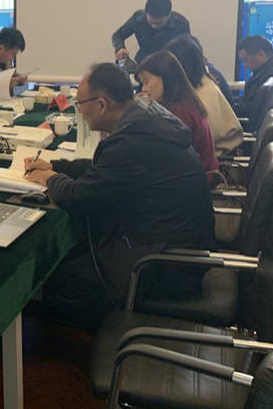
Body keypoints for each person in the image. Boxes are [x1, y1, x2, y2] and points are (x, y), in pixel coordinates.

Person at [24, 63, 214, 330]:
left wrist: (49, 178)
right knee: (74, 250)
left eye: (80, 104)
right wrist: (57, 166)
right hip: (175, 244)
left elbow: (79, 197)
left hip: (162, 267)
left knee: (54, 280)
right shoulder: (147, 118)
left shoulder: (132, 141)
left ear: (101, 105)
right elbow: (106, 171)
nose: (80, 111)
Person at [136, 51, 219, 178]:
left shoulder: (179, 113)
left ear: (165, 78)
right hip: (190, 177)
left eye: (146, 81)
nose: (143, 89)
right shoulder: (181, 102)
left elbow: (164, 158)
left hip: (194, 181)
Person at [166, 34, 242, 154]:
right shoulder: (203, 82)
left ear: (181, 67)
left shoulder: (201, 98)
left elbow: (190, 141)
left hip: (215, 156)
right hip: (215, 151)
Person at [112, 0, 190, 64]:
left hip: (170, 65)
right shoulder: (138, 19)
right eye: (150, 22)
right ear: (146, 13)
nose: (154, 26)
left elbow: (187, 51)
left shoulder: (181, 25)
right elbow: (118, 35)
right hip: (144, 63)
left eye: (159, 23)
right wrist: (120, 48)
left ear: (169, 15)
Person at [237, 35, 273, 116]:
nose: (245, 65)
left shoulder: (271, 76)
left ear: (261, 54)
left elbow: (250, 110)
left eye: (246, 60)